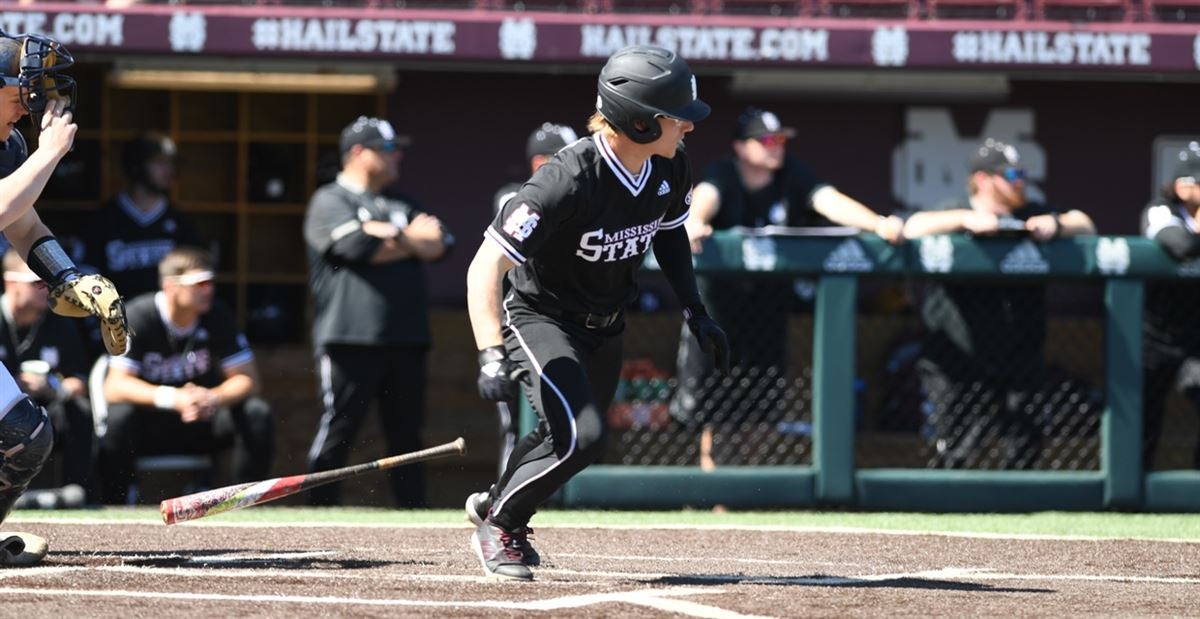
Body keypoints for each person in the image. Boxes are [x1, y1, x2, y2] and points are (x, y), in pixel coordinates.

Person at [464, 45, 729, 581]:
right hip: (541, 318)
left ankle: (496, 500)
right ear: (639, 120)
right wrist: (490, 352)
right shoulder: (565, 180)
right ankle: (501, 524)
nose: (689, 129)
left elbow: (672, 234)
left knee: (558, 435)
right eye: (678, 118)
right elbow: (483, 267)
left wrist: (695, 311)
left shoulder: (670, 165)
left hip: (606, 324)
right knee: (582, 438)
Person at [675, 106, 905, 469]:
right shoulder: (724, 173)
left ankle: (748, 491)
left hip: (767, 312)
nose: (775, 146)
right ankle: (715, 498)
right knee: (716, 414)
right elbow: (705, 196)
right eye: (765, 140)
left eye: (779, 139)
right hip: (719, 311)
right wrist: (696, 223)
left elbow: (828, 200)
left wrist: (876, 224)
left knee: (760, 413)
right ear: (740, 147)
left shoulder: (792, 175)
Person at [0, 30, 127, 567]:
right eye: (23, 84)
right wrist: (49, 155)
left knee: (24, 437)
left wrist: (66, 275)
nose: (36, 94)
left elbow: (23, 223)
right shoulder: (29, 152)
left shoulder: (9, 146)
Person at [901, 139, 1094, 470]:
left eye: (1021, 173)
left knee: (1023, 453)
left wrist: (1056, 225)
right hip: (959, 357)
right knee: (954, 457)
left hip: (1018, 355)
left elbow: (1086, 224)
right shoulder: (954, 208)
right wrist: (965, 220)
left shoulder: (1032, 212)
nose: (1020, 181)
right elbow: (912, 227)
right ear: (983, 179)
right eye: (1011, 174)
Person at [303, 116, 451, 508]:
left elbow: (440, 244)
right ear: (357, 152)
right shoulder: (330, 199)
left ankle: (413, 513)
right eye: (386, 149)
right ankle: (317, 510)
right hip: (349, 337)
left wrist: (387, 236)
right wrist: (411, 238)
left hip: (407, 338)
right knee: (340, 428)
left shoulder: (401, 202)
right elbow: (352, 247)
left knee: (407, 435)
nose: (397, 156)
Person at [98, 247, 273, 505]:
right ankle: (115, 504)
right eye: (200, 283)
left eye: (210, 282)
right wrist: (174, 399)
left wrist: (213, 398)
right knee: (118, 418)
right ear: (171, 287)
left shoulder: (217, 315)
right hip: (152, 422)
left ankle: (245, 502)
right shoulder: (138, 314)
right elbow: (114, 386)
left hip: (201, 417)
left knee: (256, 413)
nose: (208, 290)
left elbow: (248, 380)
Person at [488, 122, 579, 474]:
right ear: (540, 161)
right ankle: (504, 495)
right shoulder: (516, 196)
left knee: (565, 421)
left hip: (558, 324)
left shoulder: (577, 197)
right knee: (515, 424)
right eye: (563, 156)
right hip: (515, 323)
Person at [0, 249, 92, 503]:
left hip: (47, 405)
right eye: (37, 283)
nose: (46, 289)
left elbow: (79, 380)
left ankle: (79, 491)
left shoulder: (60, 323)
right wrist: (13, 385)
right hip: (4, 410)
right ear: (11, 282)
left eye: (48, 283)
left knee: (77, 410)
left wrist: (53, 386)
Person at [78, 132, 203, 300]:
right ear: (136, 165)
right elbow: (85, 278)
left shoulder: (180, 222)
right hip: (115, 321)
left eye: (171, 163)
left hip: (164, 321)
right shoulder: (103, 221)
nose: (169, 170)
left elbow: (198, 277)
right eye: (159, 162)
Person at [1140, 145, 1200, 470]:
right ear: (1182, 186)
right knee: (1143, 421)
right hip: (1154, 338)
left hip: (1196, 343)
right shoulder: (1160, 209)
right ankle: (1129, 500)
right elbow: (1181, 245)